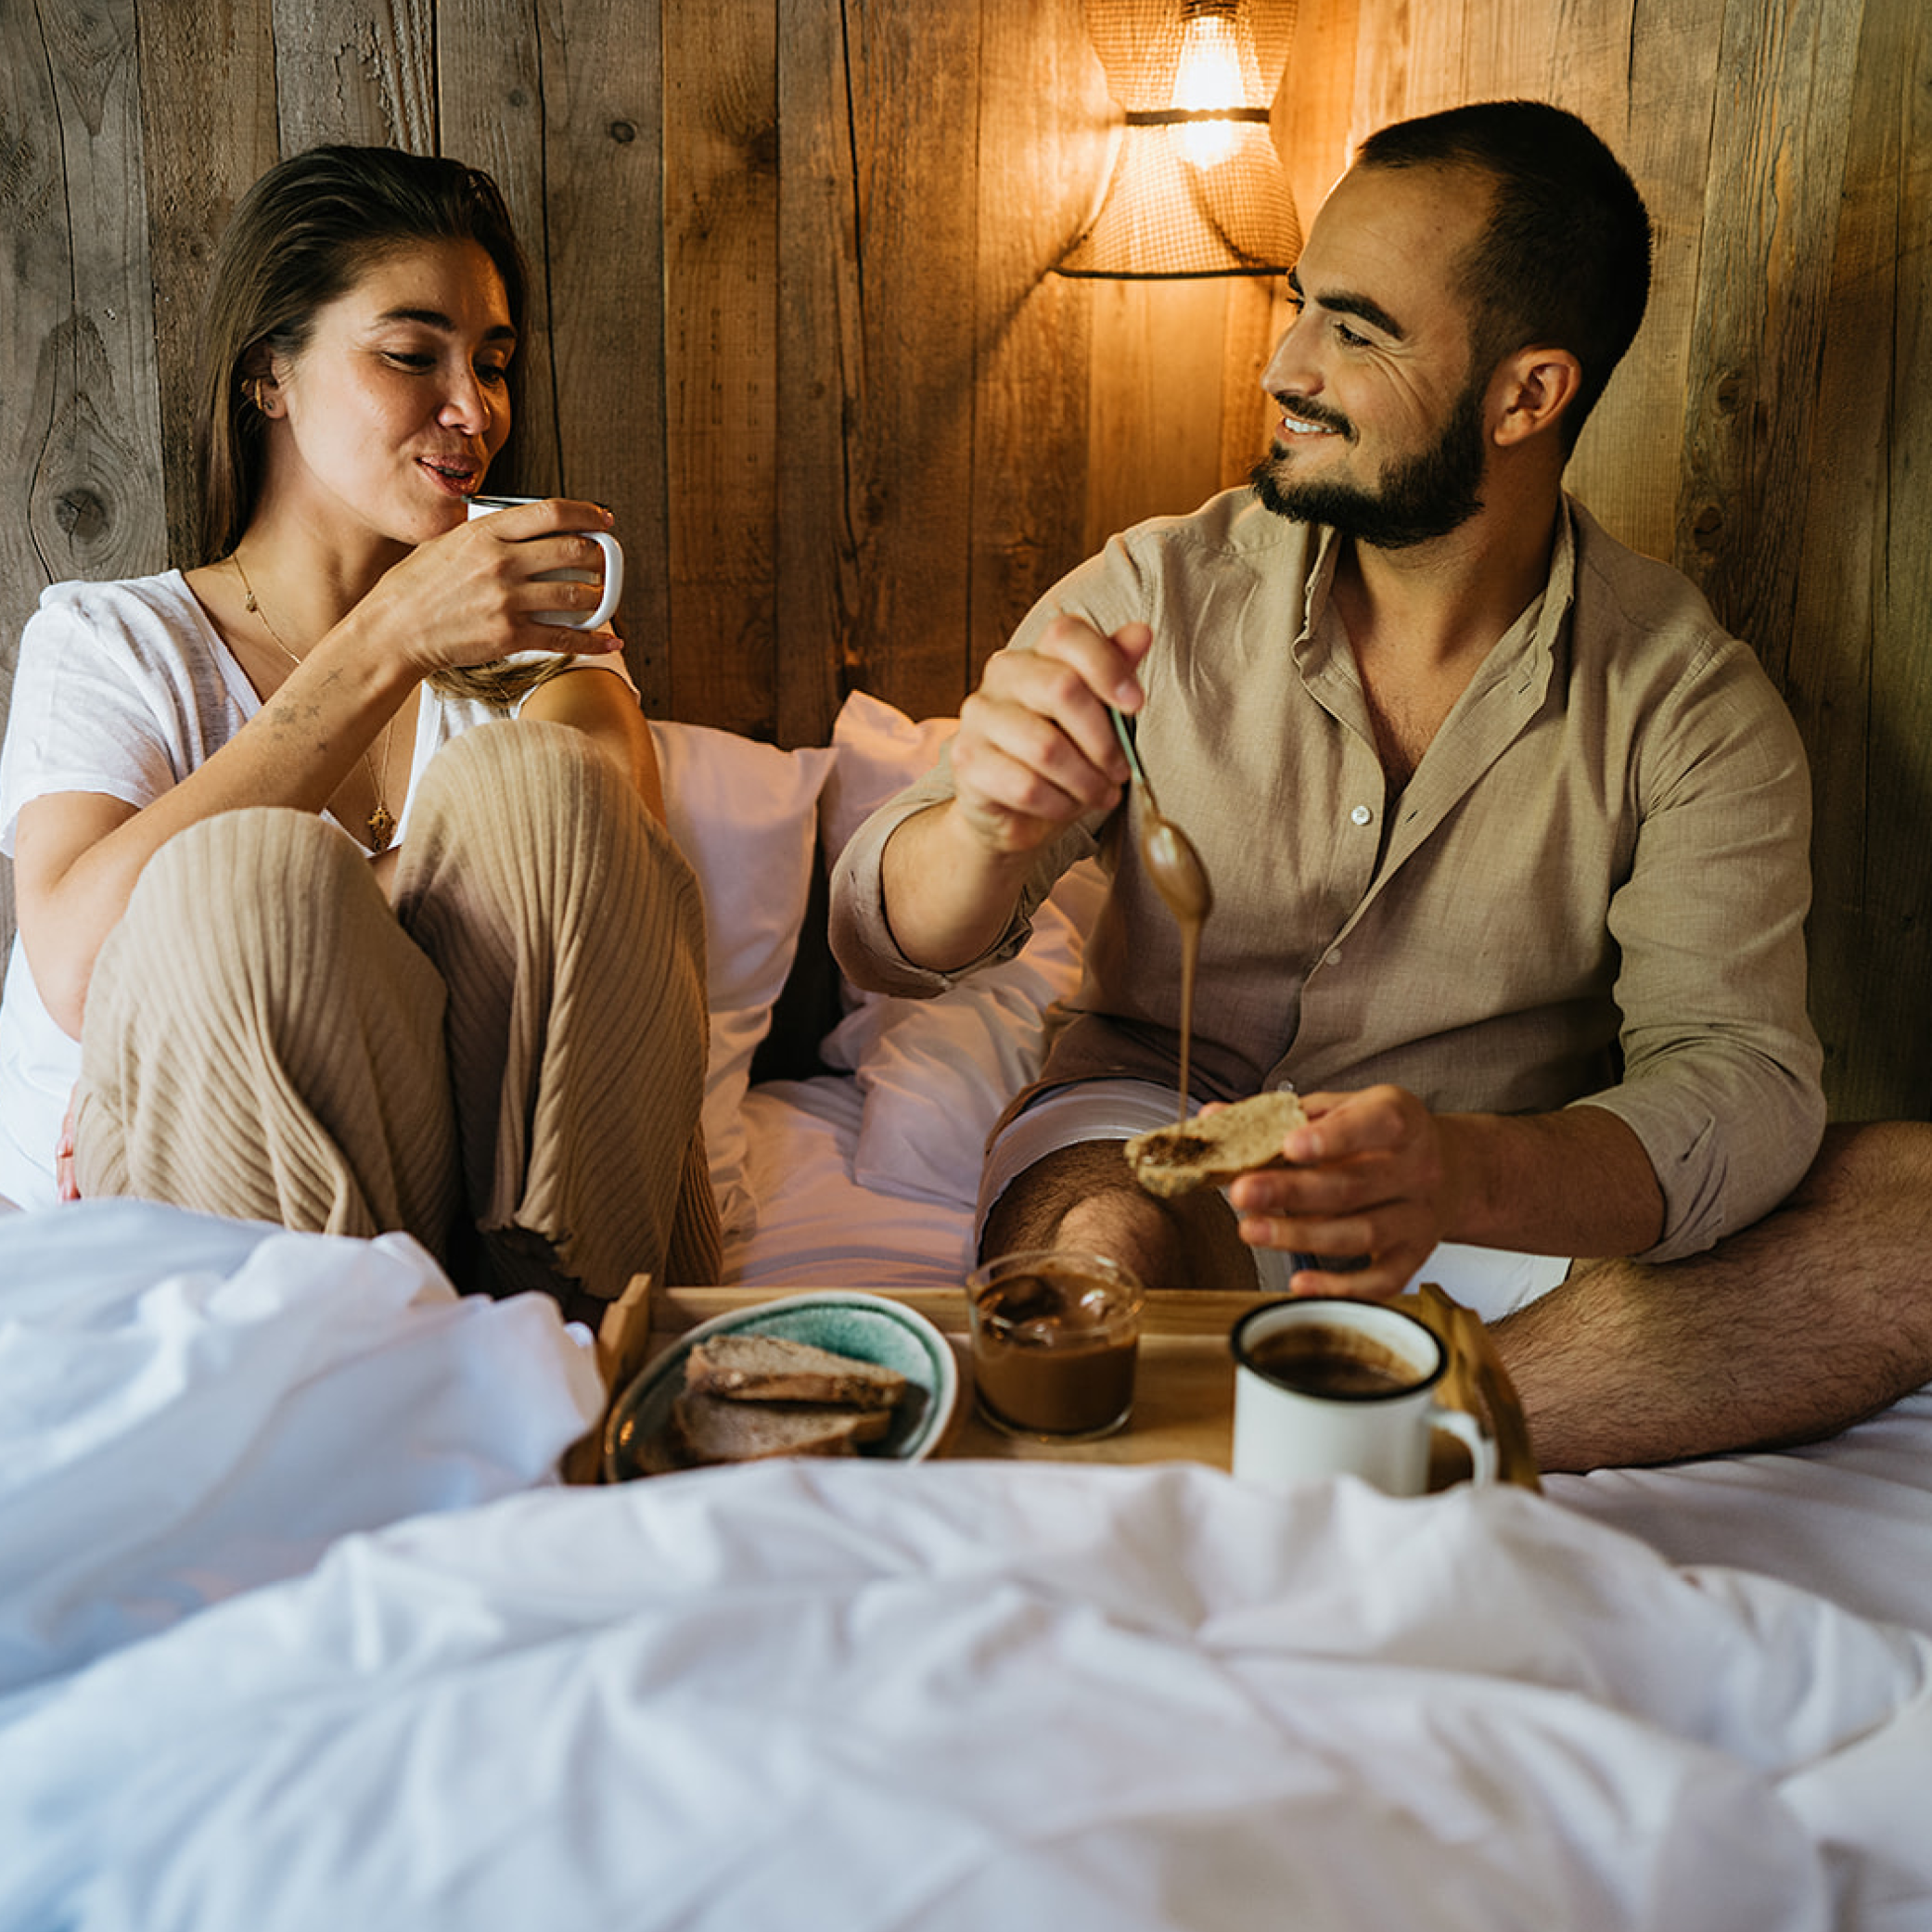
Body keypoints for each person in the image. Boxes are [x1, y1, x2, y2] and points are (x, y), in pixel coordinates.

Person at [829, 100, 1932, 1471]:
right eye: (1299, 304)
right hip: (1150, 1138)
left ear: (1526, 395)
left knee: (1917, 1209)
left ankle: (1362, 1424)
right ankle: (1324, 1418)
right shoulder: (1152, 594)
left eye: (1353, 329)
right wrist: (982, 829)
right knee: (1100, 1243)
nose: (1280, 366)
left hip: (1488, 1211)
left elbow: (1740, 1076)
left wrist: (1462, 1170)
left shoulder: (1689, 702)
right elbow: (883, 938)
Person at [0, 145, 720, 1316]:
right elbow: (82, 966)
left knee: (544, 791)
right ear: (267, 376)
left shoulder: (538, 647)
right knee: (243, 889)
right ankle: (359, 1392)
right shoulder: (109, 642)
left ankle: (574, 1347)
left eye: (491, 364)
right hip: (211, 1214)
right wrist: (386, 642)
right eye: (409, 354)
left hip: (496, 1214)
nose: (472, 409)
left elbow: (602, 944)